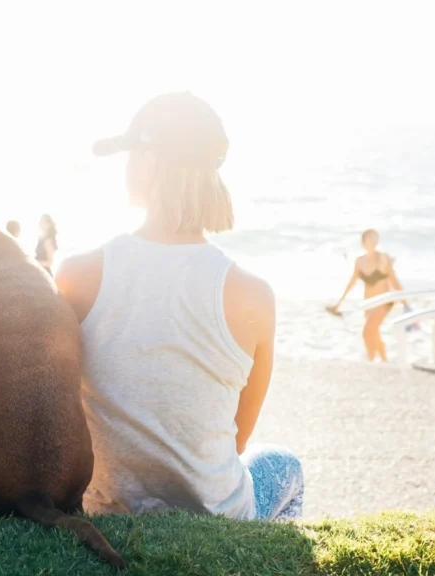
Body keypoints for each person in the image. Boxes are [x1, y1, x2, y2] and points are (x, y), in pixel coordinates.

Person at [56, 92, 303, 521]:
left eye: (131, 153)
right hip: (217, 515)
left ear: (149, 162)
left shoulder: (77, 274)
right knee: (286, 466)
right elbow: (236, 441)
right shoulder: (253, 295)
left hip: (105, 509)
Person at [328, 229, 403, 362]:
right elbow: (351, 282)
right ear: (363, 241)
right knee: (374, 333)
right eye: (370, 238)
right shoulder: (359, 261)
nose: (373, 241)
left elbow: (393, 280)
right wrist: (340, 301)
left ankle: (371, 361)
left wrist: (405, 302)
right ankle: (385, 361)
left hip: (384, 302)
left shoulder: (384, 258)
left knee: (367, 332)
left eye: (375, 238)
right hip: (368, 303)